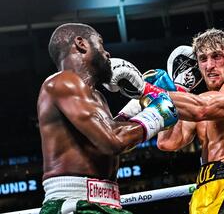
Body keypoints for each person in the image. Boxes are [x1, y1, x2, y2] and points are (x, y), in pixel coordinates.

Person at [37, 23, 178, 214]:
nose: (107, 54)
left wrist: (136, 107)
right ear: (81, 44)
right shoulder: (63, 82)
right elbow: (114, 141)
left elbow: (108, 133)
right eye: (101, 44)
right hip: (75, 203)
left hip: (104, 203)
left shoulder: (96, 96)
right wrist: (157, 114)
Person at [156, 28, 224, 214]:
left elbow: (203, 109)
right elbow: (167, 142)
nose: (209, 65)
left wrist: (154, 92)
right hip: (203, 189)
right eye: (203, 59)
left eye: (217, 56)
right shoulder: (199, 101)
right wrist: (177, 92)